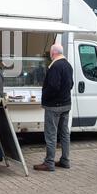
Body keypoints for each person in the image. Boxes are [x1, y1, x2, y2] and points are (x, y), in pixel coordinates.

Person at [34, 44, 73, 172]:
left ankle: (49, 162)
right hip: (66, 103)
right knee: (64, 133)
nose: (50, 55)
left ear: (54, 53)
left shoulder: (55, 66)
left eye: (51, 53)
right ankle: (65, 160)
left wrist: (45, 95)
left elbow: (53, 86)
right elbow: (70, 84)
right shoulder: (68, 65)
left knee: (51, 134)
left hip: (54, 105)